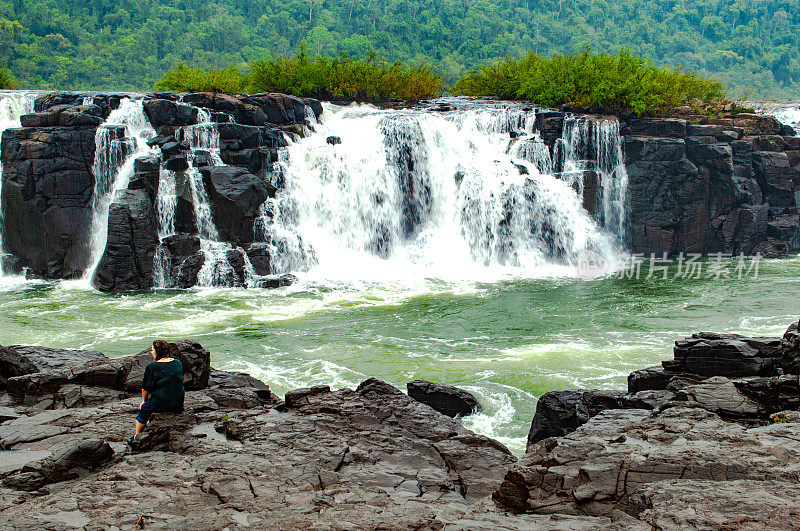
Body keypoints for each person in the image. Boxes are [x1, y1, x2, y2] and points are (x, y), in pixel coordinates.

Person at [126, 340, 185, 445]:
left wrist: (144, 401)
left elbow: (145, 389)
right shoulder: (178, 363)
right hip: (178, 402)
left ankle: (136, 436)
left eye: (152, 350)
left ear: (157, 352)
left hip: (161, 404)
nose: (151, 352)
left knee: (144, 410)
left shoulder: (152, 367)